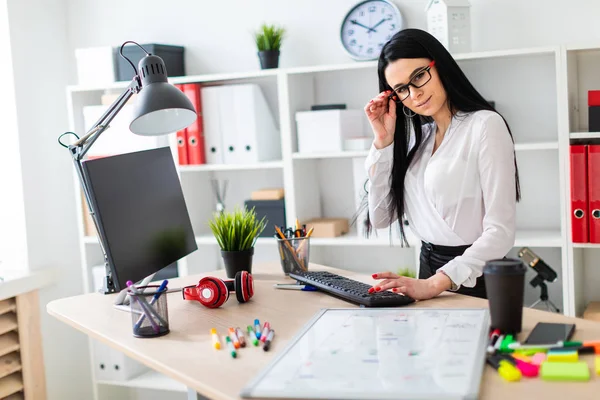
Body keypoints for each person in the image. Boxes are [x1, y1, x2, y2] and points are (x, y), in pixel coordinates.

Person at [364, 28, 520, 301]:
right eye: (402, 89)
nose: (414, 94)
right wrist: (383, 141)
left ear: (439, 65)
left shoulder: (484, 125)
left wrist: (437, 283)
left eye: (419, 76)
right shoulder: (418, 139)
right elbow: (380, 218)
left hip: (474, 275)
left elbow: (501, 232)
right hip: (427, 271)